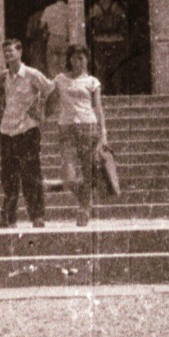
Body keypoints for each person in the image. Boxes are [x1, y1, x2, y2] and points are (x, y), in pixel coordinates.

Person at [0, 38, 52, 229]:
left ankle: (37, 216)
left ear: (20, 52)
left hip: (27, 130)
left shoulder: (32, 74)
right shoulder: (2, 77)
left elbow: (51, 90)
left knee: (31, 175)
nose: (8, 55)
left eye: (11, 51)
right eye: (5, 52)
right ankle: (9, 217)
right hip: (7, 130)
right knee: (8, 177)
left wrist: (41, 112)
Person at [48, 43, 107, 226]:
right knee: (68, 175)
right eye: (74, 57)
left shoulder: (92, 82)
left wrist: (103, 132)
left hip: (88, 127)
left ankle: (85, 209)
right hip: (66, 128)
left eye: (81, 58)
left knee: (88, 172)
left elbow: (97, 108)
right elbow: (50, 102)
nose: (78, 61)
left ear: (87, 60)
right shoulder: (60, 79)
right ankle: (83, 199)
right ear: (69, 59)